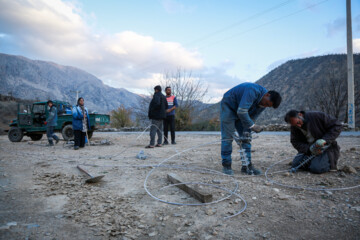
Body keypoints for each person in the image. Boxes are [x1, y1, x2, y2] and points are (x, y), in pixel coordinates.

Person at [221, 82, 282, 175]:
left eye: (268, 106)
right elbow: (242, 112)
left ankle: (247, 166)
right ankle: (226, 166)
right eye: (266, 103)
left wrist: (247, 131)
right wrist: (253, 126)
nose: (265, 106)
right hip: (229, 105)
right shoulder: (252, 90)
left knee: (246, 138)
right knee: (227, 138)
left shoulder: (264, 103)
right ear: (267, 94)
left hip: (242, 111)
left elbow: (252, 117)